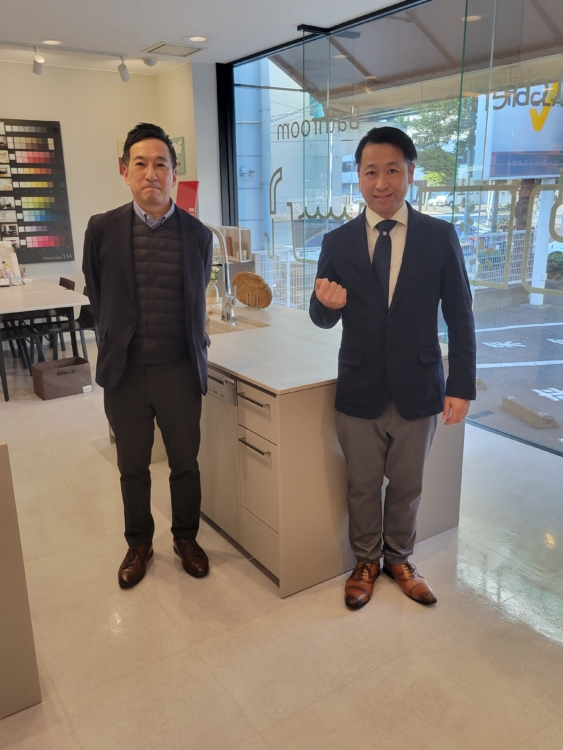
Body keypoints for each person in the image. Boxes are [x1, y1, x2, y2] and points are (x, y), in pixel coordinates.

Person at [310, 126, 476, 609]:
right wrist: (325, 305)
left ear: (410, 174)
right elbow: (321, 314)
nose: (381, 183)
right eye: (370, 172)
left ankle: (399, 559)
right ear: (358, 177)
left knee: (407, 487)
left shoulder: (439, 237)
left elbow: (460, 314)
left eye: (392, 171)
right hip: (359, 384)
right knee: (362, 486)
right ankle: (366, 562)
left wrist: (461, 385)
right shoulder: (337, 241)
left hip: (419, 386)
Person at [83, 122, 213, 589]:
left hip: (179, 369)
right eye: (141, 163)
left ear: (175, 173)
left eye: (161, 164)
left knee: (185, 464)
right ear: (125, 170)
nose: (151, 173)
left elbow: (197, 296)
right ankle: (138, 544)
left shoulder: (197, 235)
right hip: (126, 373)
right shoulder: (102, 229)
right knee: (132, 467)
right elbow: (98, 294)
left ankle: (186, 538)